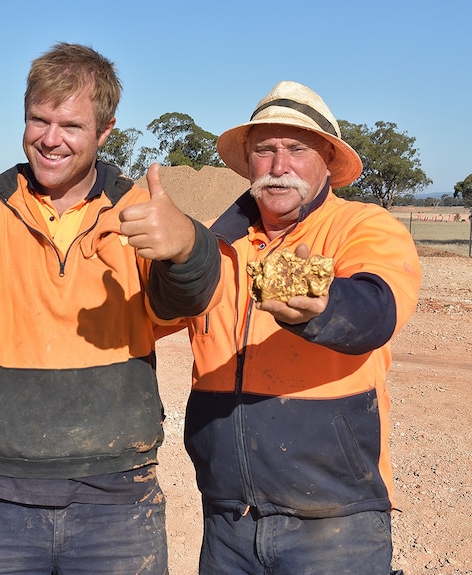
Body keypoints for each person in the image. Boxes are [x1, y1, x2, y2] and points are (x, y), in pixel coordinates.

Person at [0, 42, 221, 574]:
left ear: (106, 130)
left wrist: (189, 247)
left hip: (117, 499)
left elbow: (185, 299)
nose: (50, 139)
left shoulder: (140, 213)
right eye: (37, 120)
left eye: (70, 125)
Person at [180, 80, 421, 574]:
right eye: (264, 150)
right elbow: (150, 316)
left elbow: (378, 308)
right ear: (247, 161)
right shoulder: (216, 247)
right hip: (229, 522)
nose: (279, 165)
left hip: (335, 525)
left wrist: (325, 308)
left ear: (328, 160)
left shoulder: (363, 226)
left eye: (296, 149)